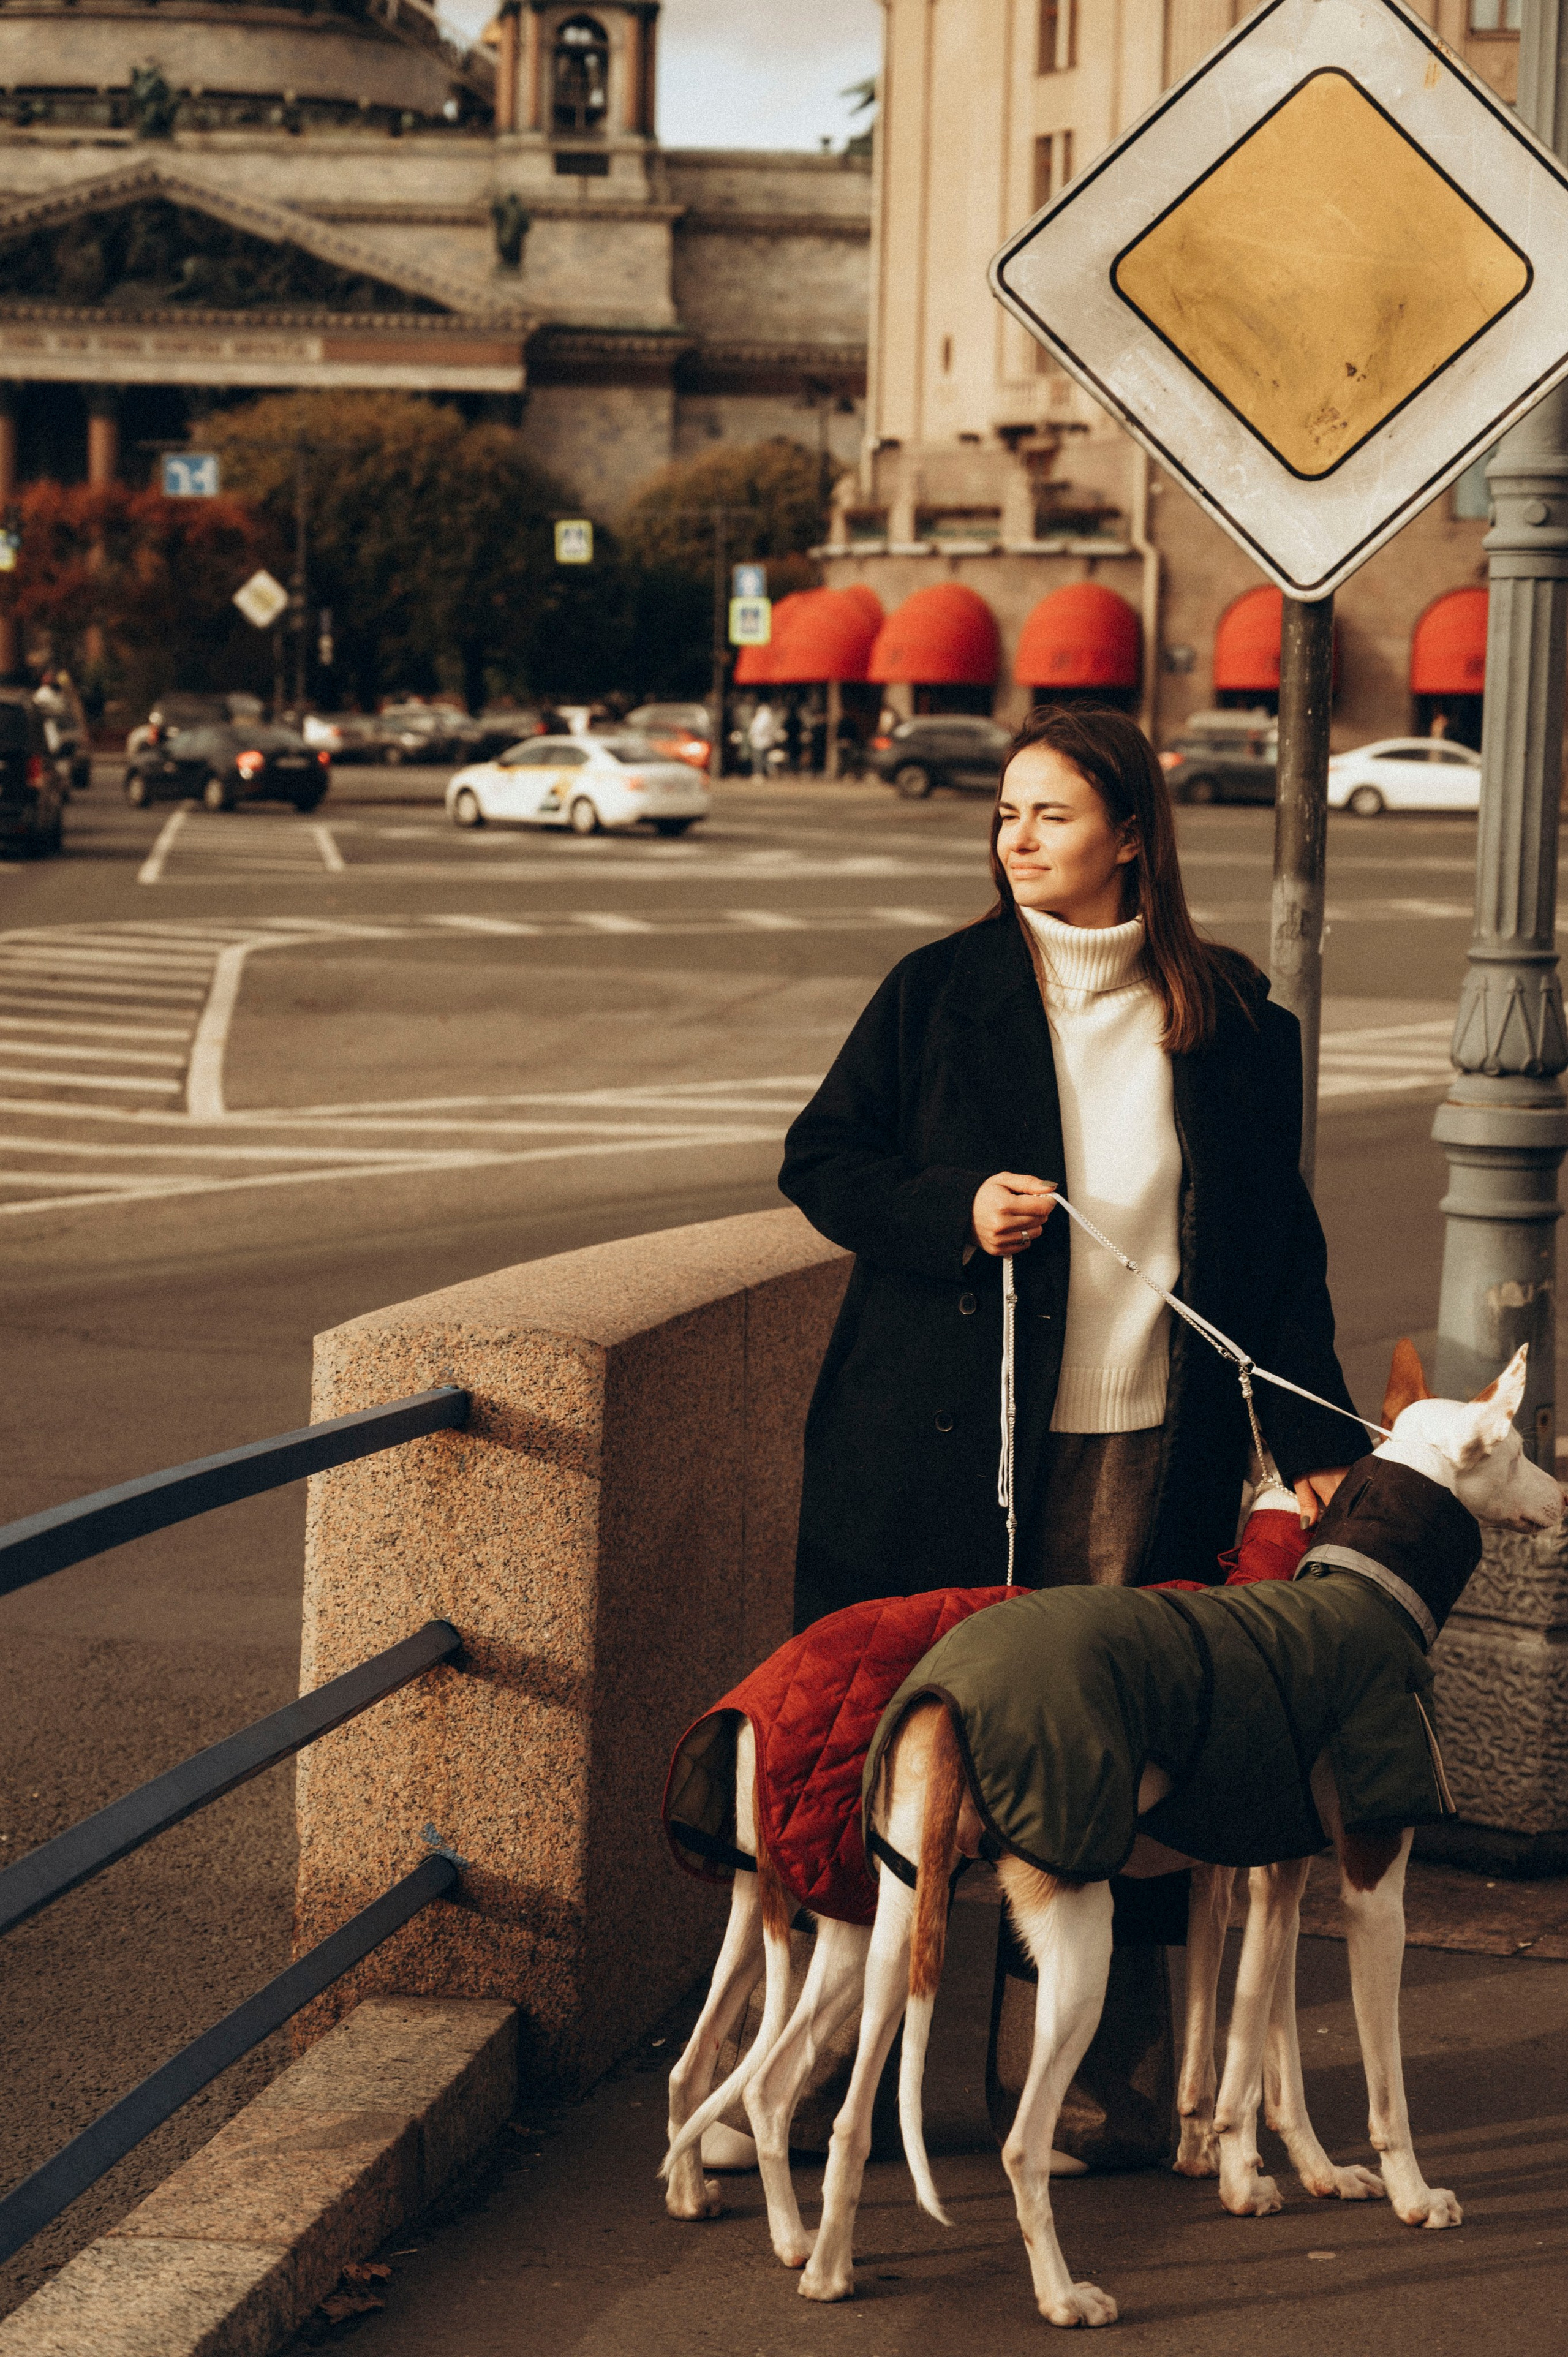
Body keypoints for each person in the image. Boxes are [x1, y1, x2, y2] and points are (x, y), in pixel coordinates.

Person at [778, 703, 1358, 2168]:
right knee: (909, 1759)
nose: (1014, 839)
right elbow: (820, 1158)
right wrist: (953, 1213)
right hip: (939, 1447)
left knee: (1108, 1761)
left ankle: (1093, 2079)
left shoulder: (1228, 1020)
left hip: (1137, 1453)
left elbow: (1278, 1256)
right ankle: (835, 2072)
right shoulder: (939, 992)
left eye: (1046, 814)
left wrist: (1309, 1439)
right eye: (1003, 817)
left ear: (1125, 834)